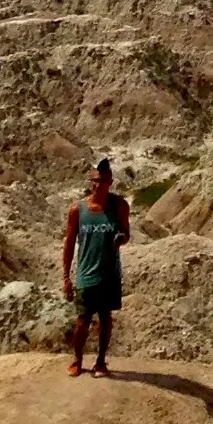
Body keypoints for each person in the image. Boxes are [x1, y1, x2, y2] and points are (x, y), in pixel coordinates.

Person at [62, 158, 131, 377]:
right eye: (95, 181)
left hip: (109, 273)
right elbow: (70, 242)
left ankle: (101, 361)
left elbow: (126, 232)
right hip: (85, 273)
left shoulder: (119, 205)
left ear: (110, 182)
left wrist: (120, 238)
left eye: (102, 181)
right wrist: (66, 276)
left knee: (105, 318)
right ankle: (77, 359)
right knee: (82, 320)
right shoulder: (78, 210)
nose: (98, 185)